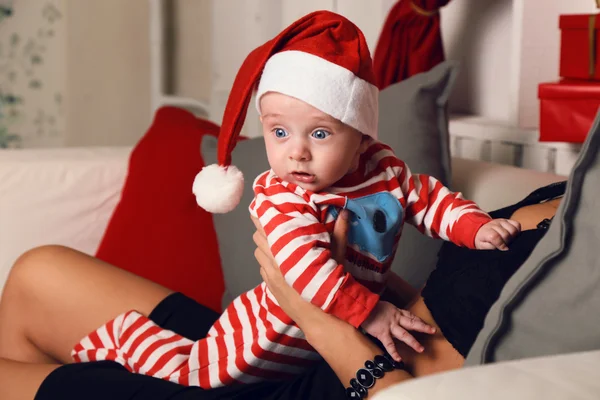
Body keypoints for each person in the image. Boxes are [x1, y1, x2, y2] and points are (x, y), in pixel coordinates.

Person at [66, 10, 521, 389]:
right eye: (279, 132)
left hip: (315, 350)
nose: (296, 152)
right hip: (257, 341)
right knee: (190, 368)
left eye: (320, 133)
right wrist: (373, 312)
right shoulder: (280, 195)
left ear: (362, 139)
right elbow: (303, 270)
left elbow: (430, 200)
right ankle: (121, 338)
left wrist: (475, 227)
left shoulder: (385, 172)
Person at [0, 181, 565, 400]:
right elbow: (449, 315)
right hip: (296, 349)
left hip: (338, 384)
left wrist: (314, 310)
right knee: (38, 272)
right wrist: (350, 276)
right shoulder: (569, 189)